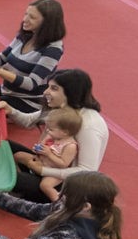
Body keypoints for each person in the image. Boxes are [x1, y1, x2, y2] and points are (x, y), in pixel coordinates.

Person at [7, 69, 109, 200]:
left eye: (54, 88)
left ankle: (50, 201)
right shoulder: (61, 109)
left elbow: (86, 171)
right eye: (48, 87)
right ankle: (21, 187)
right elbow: (29, 121)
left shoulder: (89, 126)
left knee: (6, 174)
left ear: (71, 93)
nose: (45, 92)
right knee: (2, 145)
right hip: (44, 162)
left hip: (58, 183)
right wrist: (9, 110)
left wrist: (43, 171)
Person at [0, 0, 66, 127]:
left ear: (46, 23)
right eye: (26, 14)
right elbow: (0, 59)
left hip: (27, 101)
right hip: (7, 92)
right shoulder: (25, 35)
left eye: (32, 17)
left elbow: (32, 83)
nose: (25, 19)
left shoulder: (53, 49)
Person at [18, 107, 82, 201]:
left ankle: (58, 203)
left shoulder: (70, 145)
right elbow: (41, 146)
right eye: (47, 128)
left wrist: (49, 154)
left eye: (51, 129)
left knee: (45, 185)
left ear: (65, 132)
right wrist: (38, 149)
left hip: (54, 172)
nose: (47, 131)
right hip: (41, 162)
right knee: (18, 155)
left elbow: (64, 164)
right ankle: (21, 177)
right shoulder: (52, 136)